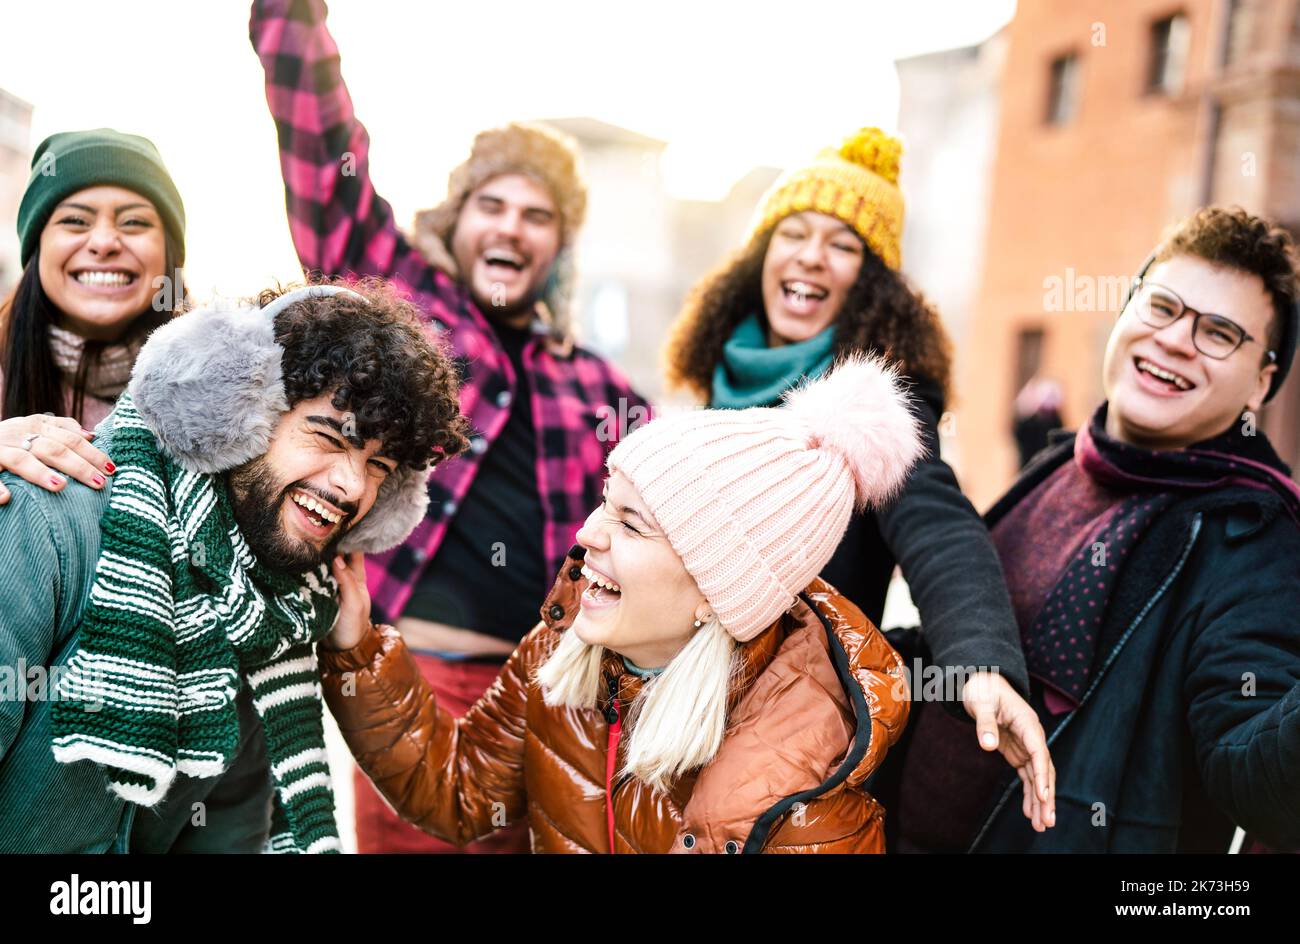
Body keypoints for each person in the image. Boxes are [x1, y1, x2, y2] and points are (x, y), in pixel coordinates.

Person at [250, 0, 649, 853]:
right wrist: (294, 18)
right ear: (456, 220)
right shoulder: (394, 296)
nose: (510, 226)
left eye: (536, 217)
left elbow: (657, 522)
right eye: (492, 205)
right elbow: (324, 150)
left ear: (558, 247)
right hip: (410, 679)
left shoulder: (599, 384)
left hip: (545, 694)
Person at [321, 357, 922, 853]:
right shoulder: (566, 648)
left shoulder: (800, 783)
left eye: (632, 524)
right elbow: (458, 793)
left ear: (717, 595)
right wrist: (358, 649)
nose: (588, 534)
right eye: (606, 501)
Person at [663, 127, 1054, 835]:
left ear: (868, 282)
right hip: (676, 699)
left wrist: (982, 665)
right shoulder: (721, 384)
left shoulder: (873, 412)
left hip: (787, 723)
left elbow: (940, 528)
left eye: (843, 245)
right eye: (795, 232)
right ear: (762, 253)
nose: (811, 255)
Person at [0, 283, 469, 853]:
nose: (351, 485)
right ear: (238, 416)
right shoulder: (47, 515)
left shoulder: (277, 617)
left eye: (379, 466)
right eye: (326, 436)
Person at [897, 206, 1300, 853]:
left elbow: (1255, 772)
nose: (1174, 339)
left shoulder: (1256, 541)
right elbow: (966, 651)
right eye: (1162, 306)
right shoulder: (1064, 461)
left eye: (1219, 333)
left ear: (1262, 382)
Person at [0, 128, 185, 503]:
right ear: (38, 250)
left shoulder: (232, 392)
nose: (103, 243)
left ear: (169, 255)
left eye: (134, 222)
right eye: (75, 221)